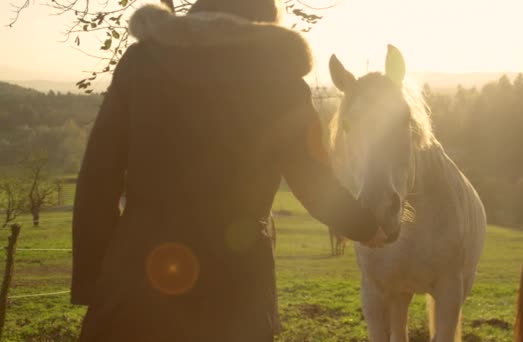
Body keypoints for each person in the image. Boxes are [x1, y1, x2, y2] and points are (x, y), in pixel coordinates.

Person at [71, 0, 386, 341]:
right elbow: (311, 180)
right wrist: (366, 226)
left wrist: (95, 282)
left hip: (137, 275)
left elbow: (98, 175)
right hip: (235, 283)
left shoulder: (141, 62)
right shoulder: (278, 78)